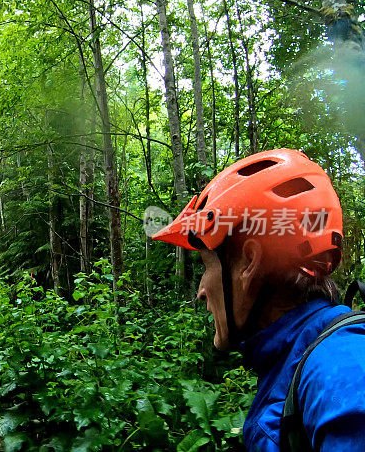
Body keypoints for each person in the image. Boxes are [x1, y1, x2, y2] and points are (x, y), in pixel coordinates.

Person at [151, 148, 365, 450]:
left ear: (249, 263)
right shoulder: (295, 360)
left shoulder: (342, 367)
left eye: (206, 266)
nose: (201, 291)